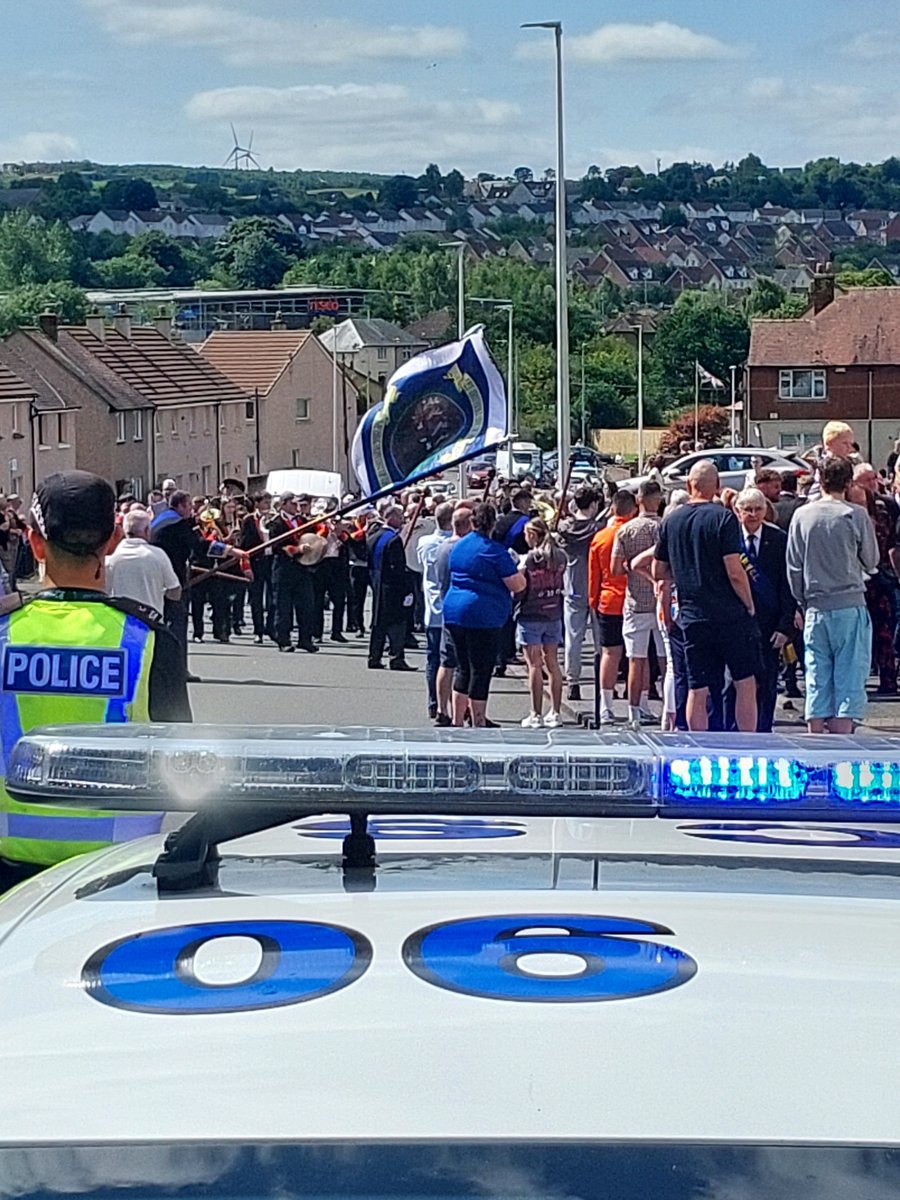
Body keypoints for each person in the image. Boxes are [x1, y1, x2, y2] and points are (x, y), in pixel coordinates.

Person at [0, 471, 191, 892]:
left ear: (35, 543)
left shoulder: (4, 633)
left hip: (8, 869)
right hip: (120, 871)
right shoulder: (148, 639)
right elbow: (185, 762)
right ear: (110, 543)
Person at [653, 460, 761, 733]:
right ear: (717, 486)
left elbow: (659, 571)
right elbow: (734, 570)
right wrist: (749, 604)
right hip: (729, 615)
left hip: (692, 615)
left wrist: (670, 598)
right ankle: (748, 744)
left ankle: (696, 745)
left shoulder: (671, 520)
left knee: (696, 688)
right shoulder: (723, 518)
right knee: (744, 682)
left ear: (689, 485)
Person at [786, 456, 879, 733]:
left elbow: (793, 566)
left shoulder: (802, 515)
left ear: (819, 480)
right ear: (848, 482)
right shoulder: (855, 515)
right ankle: (842, 750)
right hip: (849, 605)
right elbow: (872, 560)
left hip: (815, 606)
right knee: (849, 681)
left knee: (816, 678)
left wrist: (802, 601)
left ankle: (817, 749)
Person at [443, 502, 526, 727]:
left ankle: (457, 719)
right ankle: (478, 720)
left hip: (454, 611)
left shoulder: (459, 546)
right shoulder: (495, 552)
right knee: (481, 670)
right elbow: (517, 585)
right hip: (483, 615)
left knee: (463, 668)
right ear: (493, 523)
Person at [733, 488, 796, 732]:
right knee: (736, 684)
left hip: (770, 625)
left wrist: (785, 626)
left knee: (768, 682)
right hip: (737, 624)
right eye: (747, 509)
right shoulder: (729, 540)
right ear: (737, 512)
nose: (753, 514)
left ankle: (764, 731)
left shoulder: (778, 539)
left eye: (758, 509)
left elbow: (787, 586)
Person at [611, 480, 665, 728]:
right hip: (662, 599)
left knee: (636, 659)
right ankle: (668, 709)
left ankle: (634, 712)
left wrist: (630, 568)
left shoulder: (624, 530)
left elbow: (614, 569)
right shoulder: (663, 528)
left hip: (635, 602)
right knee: (667, 661)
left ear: (638, 500)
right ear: (658, 499)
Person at [588, 490, 637, 725]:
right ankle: (639, 705)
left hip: (609, 600)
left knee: (610, 652)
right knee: (638, 657)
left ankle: (606, 706)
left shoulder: (601, 537)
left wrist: (593, 600)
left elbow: (593, 575)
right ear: (633, 509)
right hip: (636, 599)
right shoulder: (636, 533)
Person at [851, 462, 900, 695]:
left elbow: (890, 544)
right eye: (867, 480)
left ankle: (888, 678)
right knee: (859, 634)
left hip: (877, 578)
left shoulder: (884, 509)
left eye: (874, 478)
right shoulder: (850, 515)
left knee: (883, 630)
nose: (873, 483)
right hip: (855, 581)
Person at [150, 489, 205, 683]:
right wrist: (231, 551)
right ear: (180, 506)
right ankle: (178, 669)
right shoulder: (177, 524)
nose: (192, 510)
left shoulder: (158, 519)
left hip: (156, 579)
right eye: (189, 506)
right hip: (174, 580)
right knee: (178, 624)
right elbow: (199, 546)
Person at [517, 517, 566, 728]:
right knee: (552, 663)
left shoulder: (528, 559)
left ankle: (535, 713)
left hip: (531, 613)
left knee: (534, 664)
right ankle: (555, 711)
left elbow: (519, 584)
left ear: (533, 535)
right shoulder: (560, 556)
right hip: (553, 612)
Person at [558, 486, 604, 702]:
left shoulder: (565, 528)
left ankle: (572, 682)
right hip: (596, 589)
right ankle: (603, 683)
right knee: (600, 640)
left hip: (573, 589)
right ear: (593, 504)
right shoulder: (597, 529)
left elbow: (560, 528)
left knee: (573, 638)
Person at [417, 500, 454, 723]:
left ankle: (435, 703)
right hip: (447, 611)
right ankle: (446, 704)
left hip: (433, 610)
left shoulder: (425, 542)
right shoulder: (451, 545)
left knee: (434, 660)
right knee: (450, 662)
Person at [106, 507, 182, 616]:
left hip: (119, 622)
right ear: (147, 530)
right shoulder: (158, 555)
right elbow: (175, 591)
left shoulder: (111, 557)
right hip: (150, 622)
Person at [366, 505, 416, 672]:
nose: (402, 520)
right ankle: (396, 657)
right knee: (397, 623)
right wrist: (407, 589)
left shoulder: (373, 536)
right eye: (400, 516)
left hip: (377, 583)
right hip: (392, 587)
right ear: (391, 517)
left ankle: (374, 656)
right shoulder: (393, 540)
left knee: (378, 622)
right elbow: (398, 568)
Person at [268, 492, 318, 654]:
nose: (297, 507)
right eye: (293, 504)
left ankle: (305, 639)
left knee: (307, 604)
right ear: (283, 504)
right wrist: (297, 549)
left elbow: (313, 536)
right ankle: (283, 639)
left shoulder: (302, 521)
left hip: (303, 568)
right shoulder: (275, 523)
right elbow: (277, 547)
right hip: (284, 568)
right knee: (283, 606)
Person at [239, 493, 275, 645]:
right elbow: (244, 544)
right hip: (257, 561)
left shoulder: (274, 518)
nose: (268, 505)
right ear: (257, 504)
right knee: (256, 598)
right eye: (265, 502)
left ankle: (271, 627)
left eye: (269, 502)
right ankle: (258, 630)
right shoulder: (249, 520)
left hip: (272, 560)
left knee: (274, 597)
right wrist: (246, 566)